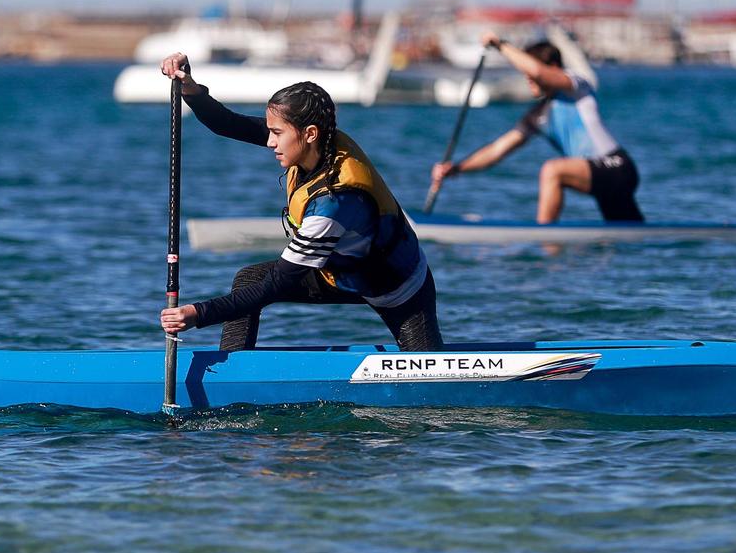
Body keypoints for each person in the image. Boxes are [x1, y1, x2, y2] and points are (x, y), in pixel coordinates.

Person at [156, 54, 441, 352]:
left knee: (432, 382)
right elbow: (228, 123)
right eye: (270, 131)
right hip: (339, 274)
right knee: (249, 279)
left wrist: (199, 314)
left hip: (399, 288)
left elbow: (278, 283)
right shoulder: (315, 145)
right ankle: (232, 369)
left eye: (277, 133)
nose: (269, 142)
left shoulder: (334, 202)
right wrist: (189, 87)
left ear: (310, 134)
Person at [429, 33, 644, 224]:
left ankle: (545, 242)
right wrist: (457, 169)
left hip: (618, 168)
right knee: (631, 234)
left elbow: (537, 71)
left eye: (528, 71)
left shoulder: (576, 87)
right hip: (603, 180)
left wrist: (501, 44)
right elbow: (497, 151)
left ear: (554, 69)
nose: (527, 77)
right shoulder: (538, 115)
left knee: (553, 170)